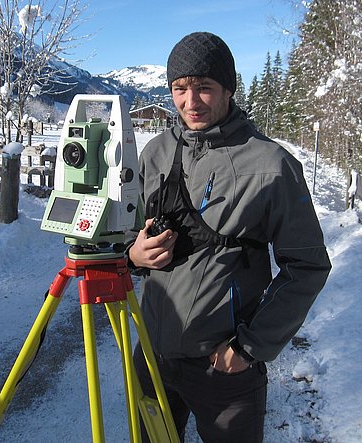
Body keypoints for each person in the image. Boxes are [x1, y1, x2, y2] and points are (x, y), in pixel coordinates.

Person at [126, 32, 331, 442]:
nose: (190, 102)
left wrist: (249, 347)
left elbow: (307, 266)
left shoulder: (271, 164)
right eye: (180, 89)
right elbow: (127, 233)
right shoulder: (156, 152)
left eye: (204, 88)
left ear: (228, 89)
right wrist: (135, 253)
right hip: (153, 356)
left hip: (224, 368)